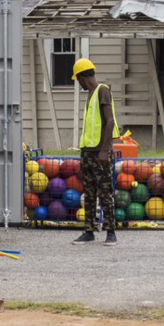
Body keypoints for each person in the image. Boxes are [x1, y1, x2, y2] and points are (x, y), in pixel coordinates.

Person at [70, 57, 120, 246]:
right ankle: (88, 231)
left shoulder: (102, 91)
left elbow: (110, 122)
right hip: (88, 152)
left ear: (83, 77)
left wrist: (104, 150)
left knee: (105, 193)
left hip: (101, 152)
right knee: (89, 193)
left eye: (78, 80)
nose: (79, 84)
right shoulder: (90, 95)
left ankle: (111, 232)